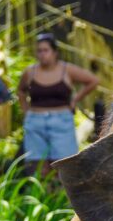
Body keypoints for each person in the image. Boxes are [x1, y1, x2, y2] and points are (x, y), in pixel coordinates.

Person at [17, 33, 99, 174]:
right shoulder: (30, 72)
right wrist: (26, 111)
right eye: (39, 51)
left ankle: (59, 188)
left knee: (63, 166)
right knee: (37, 166)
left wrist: (75, 99)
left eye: (46, 50)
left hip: (61, 121)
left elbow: (93, 81)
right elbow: (20, 91)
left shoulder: (67, 70)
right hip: (36, 121)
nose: (42, 54)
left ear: (55, 52)